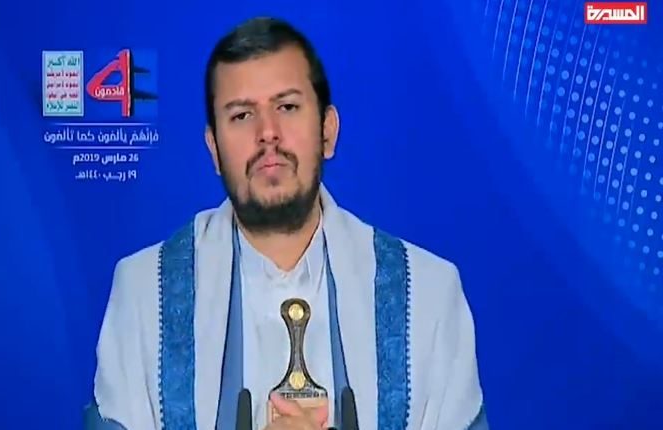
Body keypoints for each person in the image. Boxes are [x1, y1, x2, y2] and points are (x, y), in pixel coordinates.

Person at [84, 16, 489, 430]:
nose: (268, 133)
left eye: (287, 107)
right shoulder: (144, 294)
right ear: (214, 149)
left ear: (327, 132)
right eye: (242, 115)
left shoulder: (428, 295)